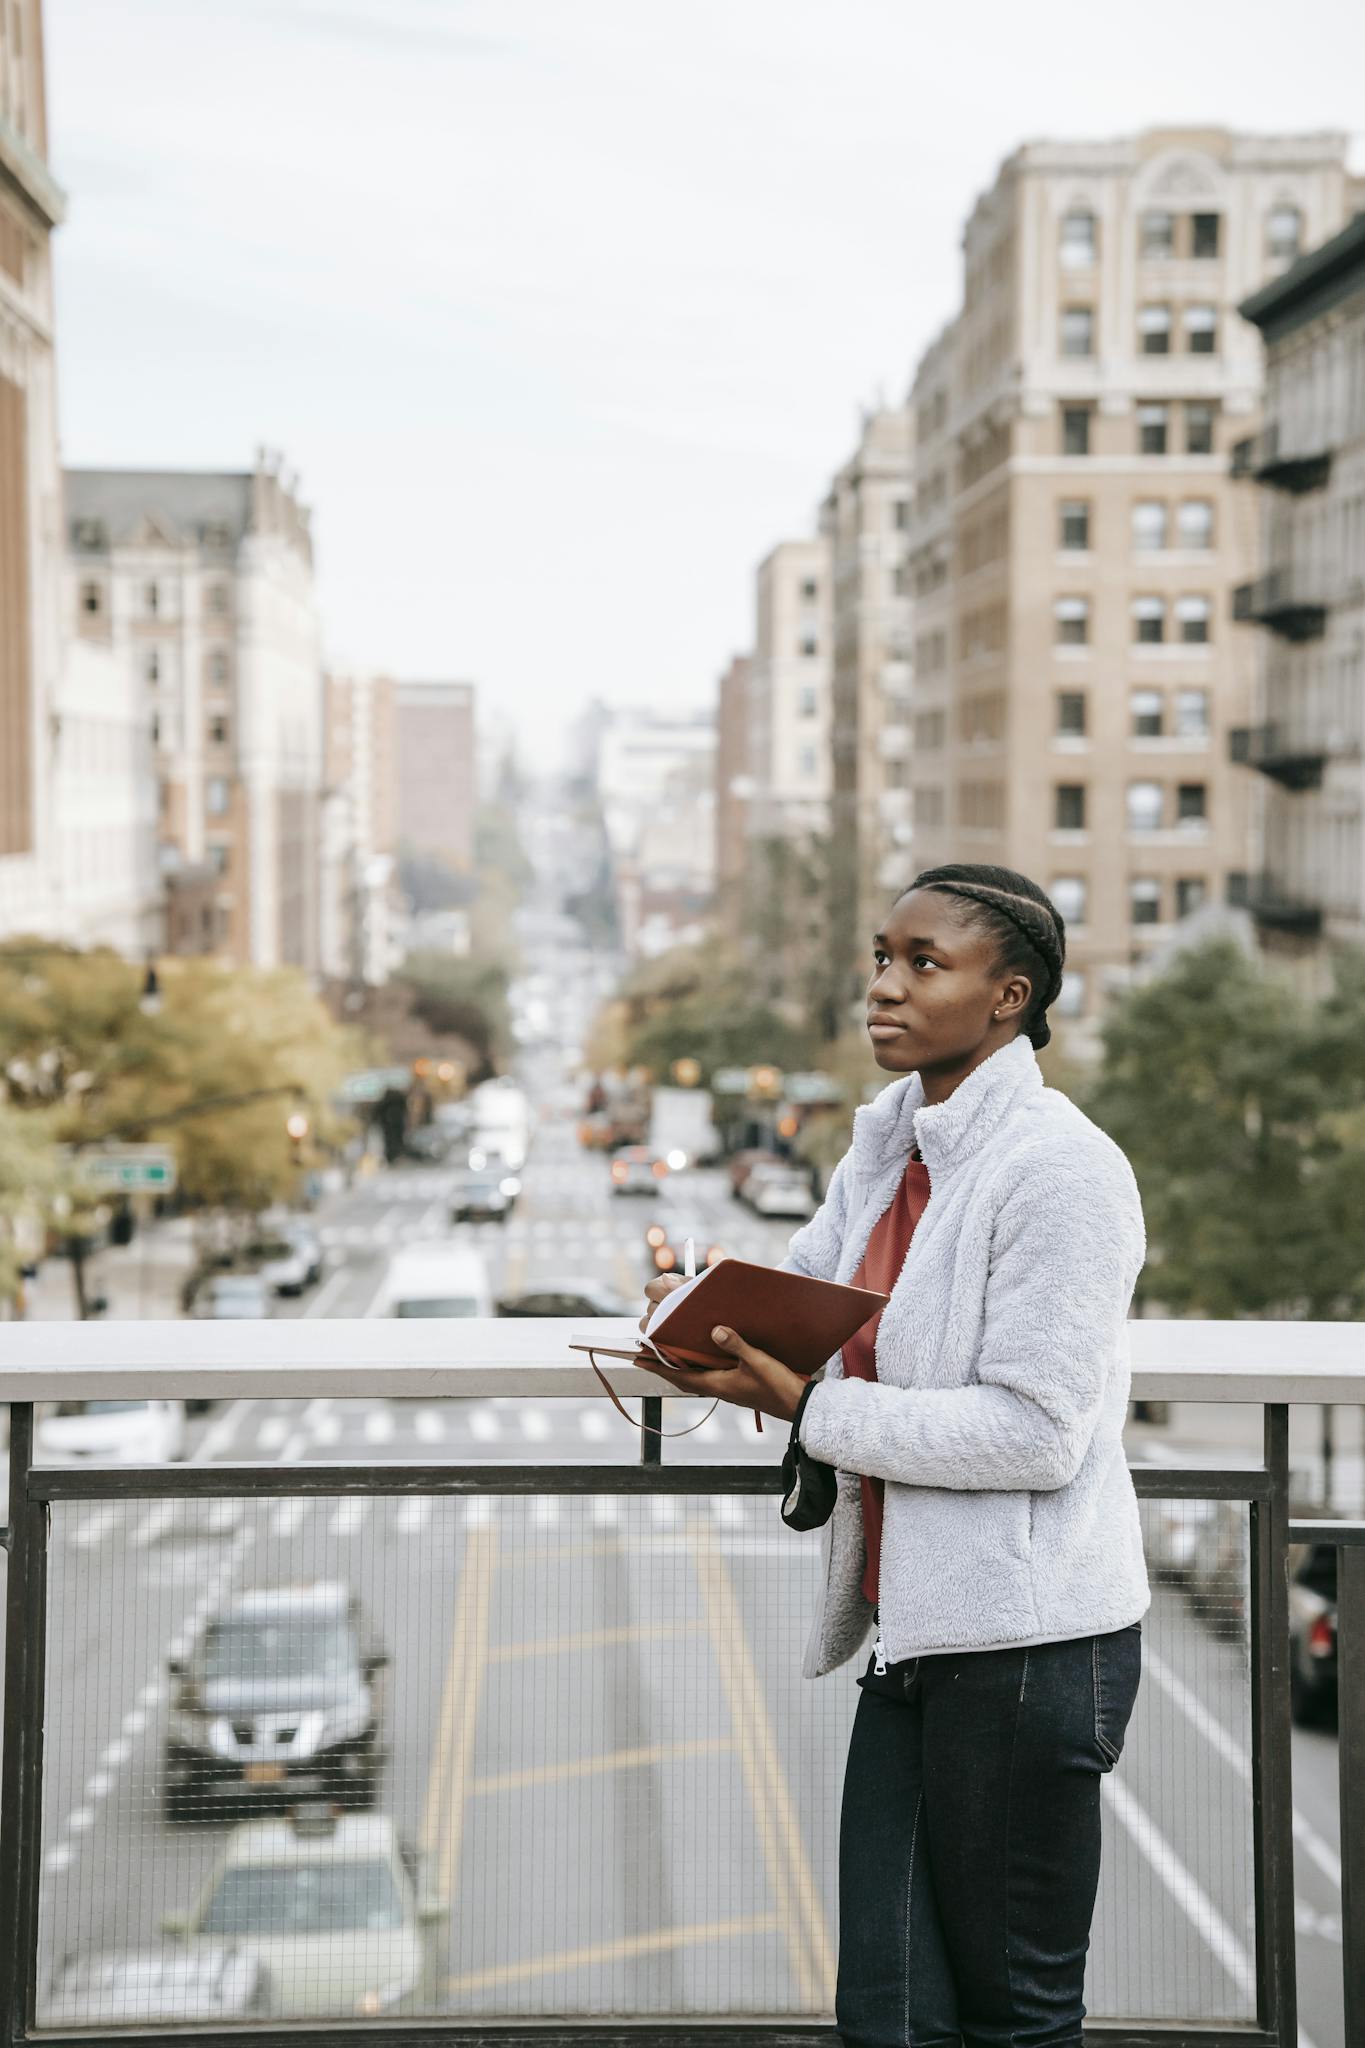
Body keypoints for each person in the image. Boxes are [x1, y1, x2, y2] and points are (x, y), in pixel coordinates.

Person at [641, 862, 1148, 2048]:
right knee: (890, 2012)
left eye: (926, 964)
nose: (884, 986)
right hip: (917, 1639)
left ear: (1009, 995)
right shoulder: (891, 1140)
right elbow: (817, 1295)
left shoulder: (1063, 1171)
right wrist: (704, 1304)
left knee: (1017, 2015)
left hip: (1030, 1651)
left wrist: (814, 1408)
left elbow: (1033, 1429)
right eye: (882, 956)